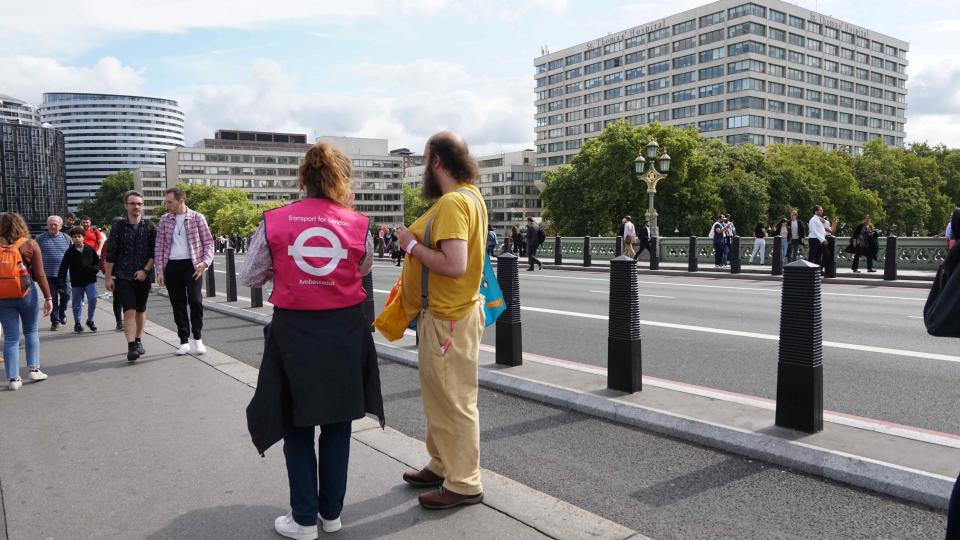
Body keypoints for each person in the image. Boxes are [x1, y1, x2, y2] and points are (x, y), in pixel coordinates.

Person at [242, 142, 384, 539]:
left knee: (296, 422)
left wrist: (287, 271)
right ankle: (332, 514)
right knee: (338, 422)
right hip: (344, 329)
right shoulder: (358, 223)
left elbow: (251, 275)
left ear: (303, 177)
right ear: (343, 179)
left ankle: (303, 518)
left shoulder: (276, 220)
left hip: (295, 331)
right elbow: (363, 265)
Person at [396, 131, 487, 510]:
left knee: (453, 399)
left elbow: (454, 264)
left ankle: (464, 482)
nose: (422, 170)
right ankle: (441, 464)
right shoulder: (471, 196)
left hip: (448, 317)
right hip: (452, 313)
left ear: (436, 162)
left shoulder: (452, 203)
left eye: (423, 161)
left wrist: (411, 246)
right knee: (441, 396)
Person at [155, 187, 215, 356]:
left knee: (196, 301)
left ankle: (198, 338)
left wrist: (205, 262)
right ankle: (183, 340)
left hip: (193, 265)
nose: (166, 205)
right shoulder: (165, 220)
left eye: (169, 202)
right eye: (165, 201)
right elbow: (159, 246)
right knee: (177, 304)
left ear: (181, 201)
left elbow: (209, 243)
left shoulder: (197, 218)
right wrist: (160, 270)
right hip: (172, 265)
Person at [0, 213, 53, 390]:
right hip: (26, 293)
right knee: (30, 332)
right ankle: (34, 369)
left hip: (3, 296)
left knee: (10, 337)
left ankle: (13, 379)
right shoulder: (30, 244)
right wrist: (48, 297)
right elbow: (39, 274)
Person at [104, 191, 157, 362]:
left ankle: (139, 339)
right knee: (129, 310)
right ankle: (131, 346)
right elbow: (111, 253)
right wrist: (108, 277)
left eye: (139, 204)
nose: (136, 207)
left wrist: (145, 271)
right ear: (126, 206)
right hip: (123, 275)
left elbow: (154, 252)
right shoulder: (118, 227)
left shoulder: (150, 227)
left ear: (143, 206)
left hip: (143, 276)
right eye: (133, 203)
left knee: (141, 310)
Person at [58, 226, 100, 333]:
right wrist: (61, 284)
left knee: (93, 299)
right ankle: (77, 323)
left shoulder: (90, 249)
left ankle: (90, 320)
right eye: (74, 237)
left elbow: (97, 263)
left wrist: (94, 270)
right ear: (71, 238)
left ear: (83, 237)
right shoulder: (69, 252)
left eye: (79, 236)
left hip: (90, 279)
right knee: (76, 303)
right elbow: (63, 268)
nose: (77, 239)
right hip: (77, 281)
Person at [35, 215, 72, 330]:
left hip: (64, 275)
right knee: (53, 299)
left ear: (60, 226)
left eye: (55, 224)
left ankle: (62, 311)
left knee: (66, 295)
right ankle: (55, 321)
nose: (52, 226)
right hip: (48, 275)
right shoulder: (40, 239)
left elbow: (73, 255)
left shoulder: (67, 238)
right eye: (50, 224)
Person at [807, 205, 830, 273]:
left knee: (826, 254)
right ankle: (809, 271)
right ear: (816, 211)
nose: (822, 211)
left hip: (821, 240)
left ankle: (818, 269)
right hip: (814, 240)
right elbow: (814, 231)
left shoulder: (820, 219)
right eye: (821, 210)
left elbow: (827, 227)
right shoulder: (813, 220)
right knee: (812, 256)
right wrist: (823, 240)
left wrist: (825, 222)